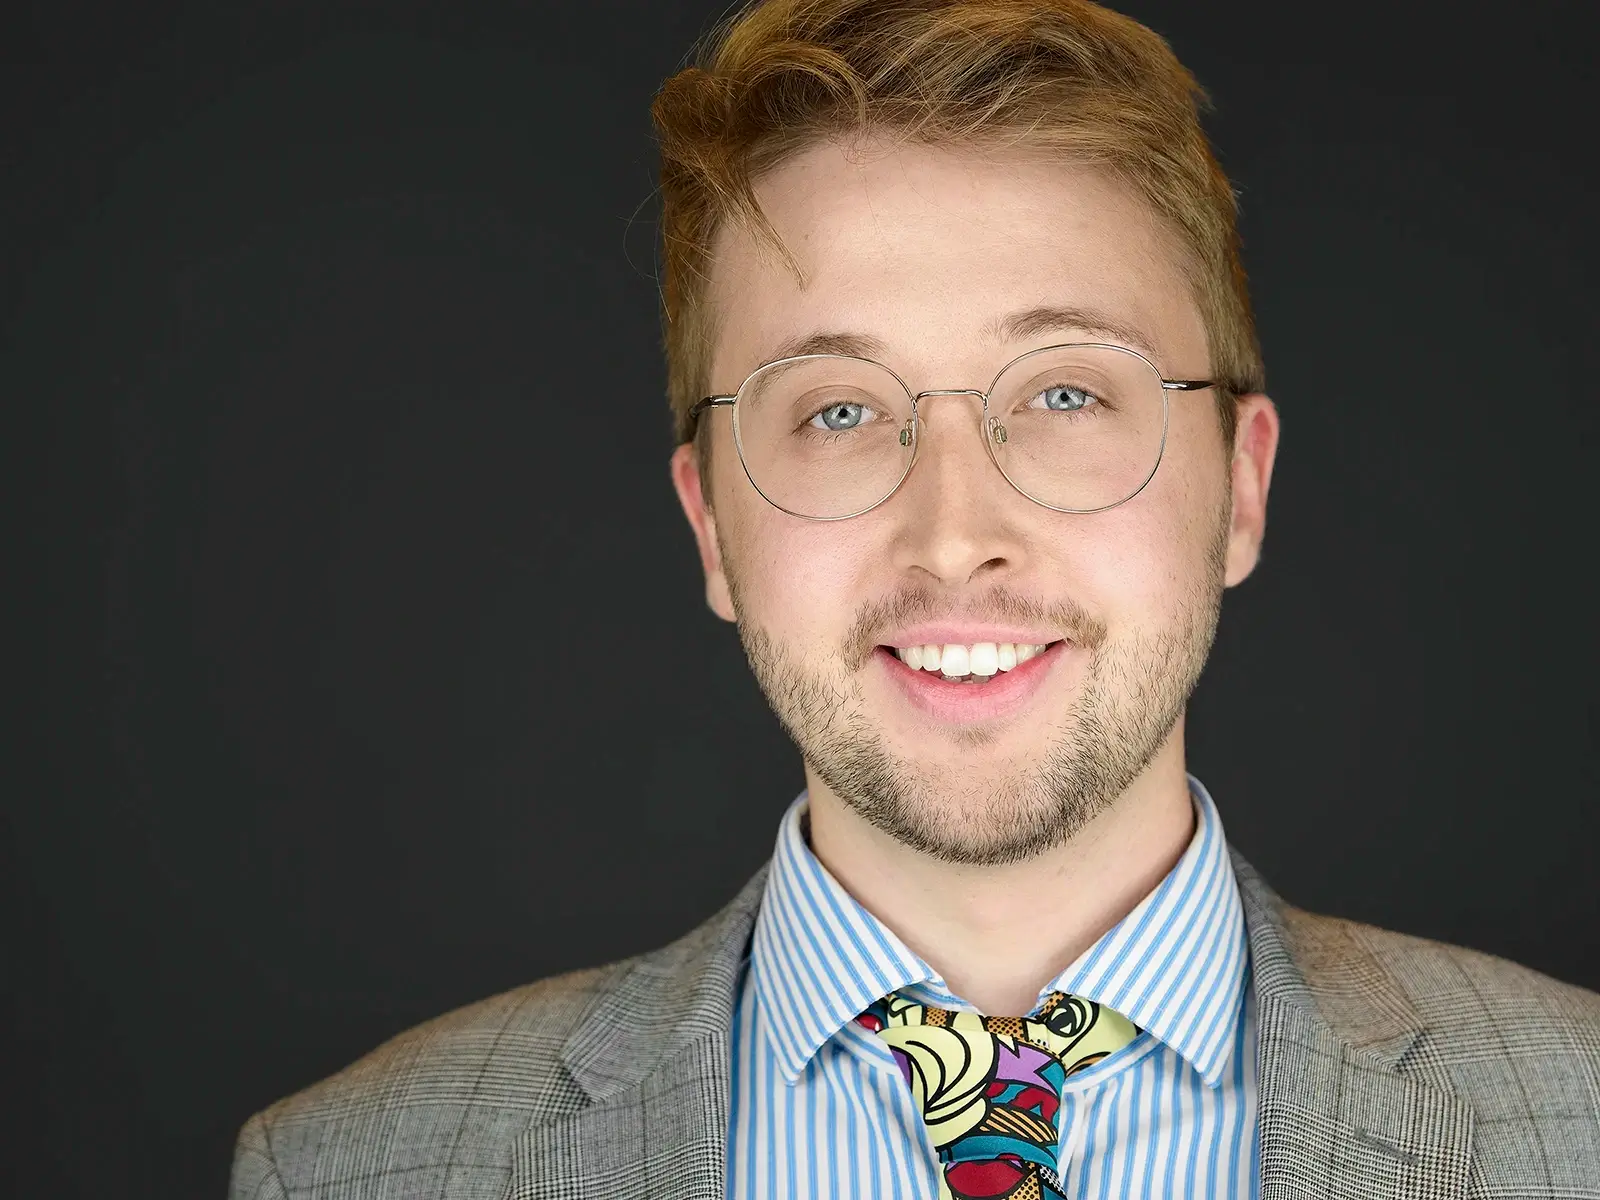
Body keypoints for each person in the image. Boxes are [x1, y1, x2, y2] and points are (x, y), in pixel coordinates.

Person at [229, 1, 1600, 1196]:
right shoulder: (355, 1169)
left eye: (1066, 392)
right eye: (835, 410)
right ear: (710, 523)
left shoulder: (1578, 1126)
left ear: (1239, 491)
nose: (955, 537)